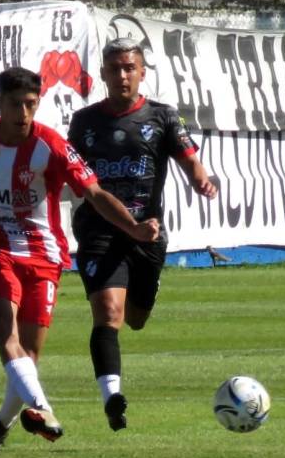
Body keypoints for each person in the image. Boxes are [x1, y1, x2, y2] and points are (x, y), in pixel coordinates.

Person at [0, 67, 159, 458]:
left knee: (28, 357)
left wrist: (133, 228)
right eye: (15, 104)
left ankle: (2, 423)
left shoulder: (50, 145)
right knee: (4, 331)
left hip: (43, 256)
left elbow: (95, 192)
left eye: (31, 104)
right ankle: (44, 409)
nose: (24, 112)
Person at [67, 38, 217, 432]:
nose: (122, 75)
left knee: (136, 319)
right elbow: (74, 178)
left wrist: (202, 181)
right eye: (114, 68)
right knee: (109, 313)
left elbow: (191, 163)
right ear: (102, 74)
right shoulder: (84, 122)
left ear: (141, 72)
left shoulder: (163, 117)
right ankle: (111, 395)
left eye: (129, 68)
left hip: (147, 234)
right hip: (99, 230)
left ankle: (145, 290)